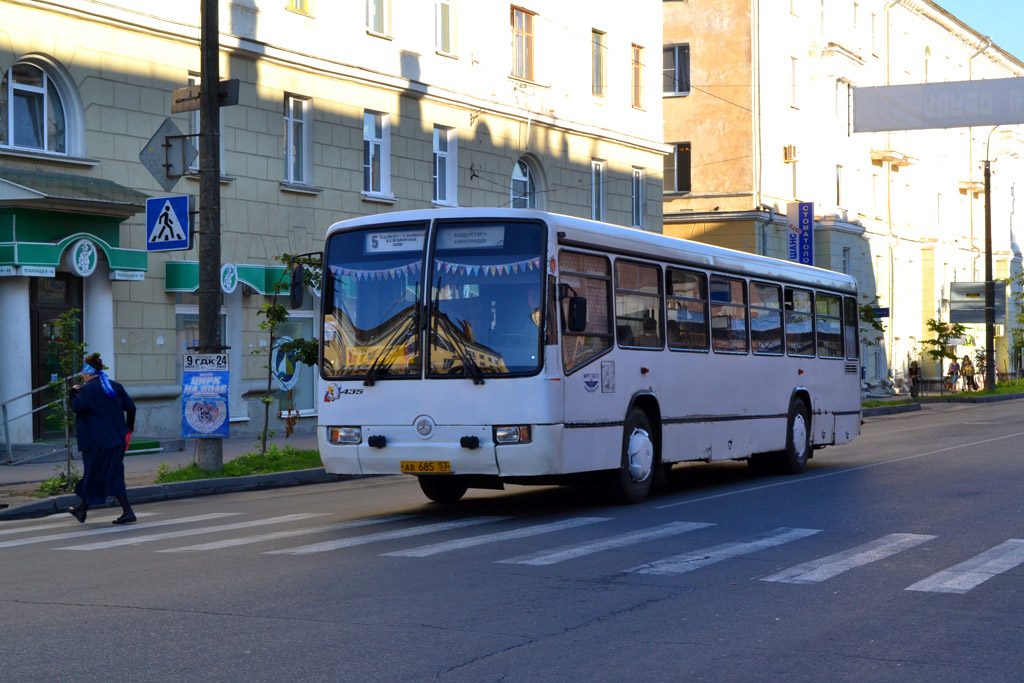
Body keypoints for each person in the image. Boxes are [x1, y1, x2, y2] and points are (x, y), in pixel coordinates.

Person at [67, 352, 137, 525]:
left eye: (83, 373)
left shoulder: (86, 390)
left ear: (87, 373)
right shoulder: (114, 386)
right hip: (116, 439)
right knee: (104, 474)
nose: (82, 376)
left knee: (98, 474)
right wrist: (129, 428)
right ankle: (82, 510)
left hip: (96, 442)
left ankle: (127, 512)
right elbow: (131, 407)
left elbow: (77, 407)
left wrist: (72, 393)